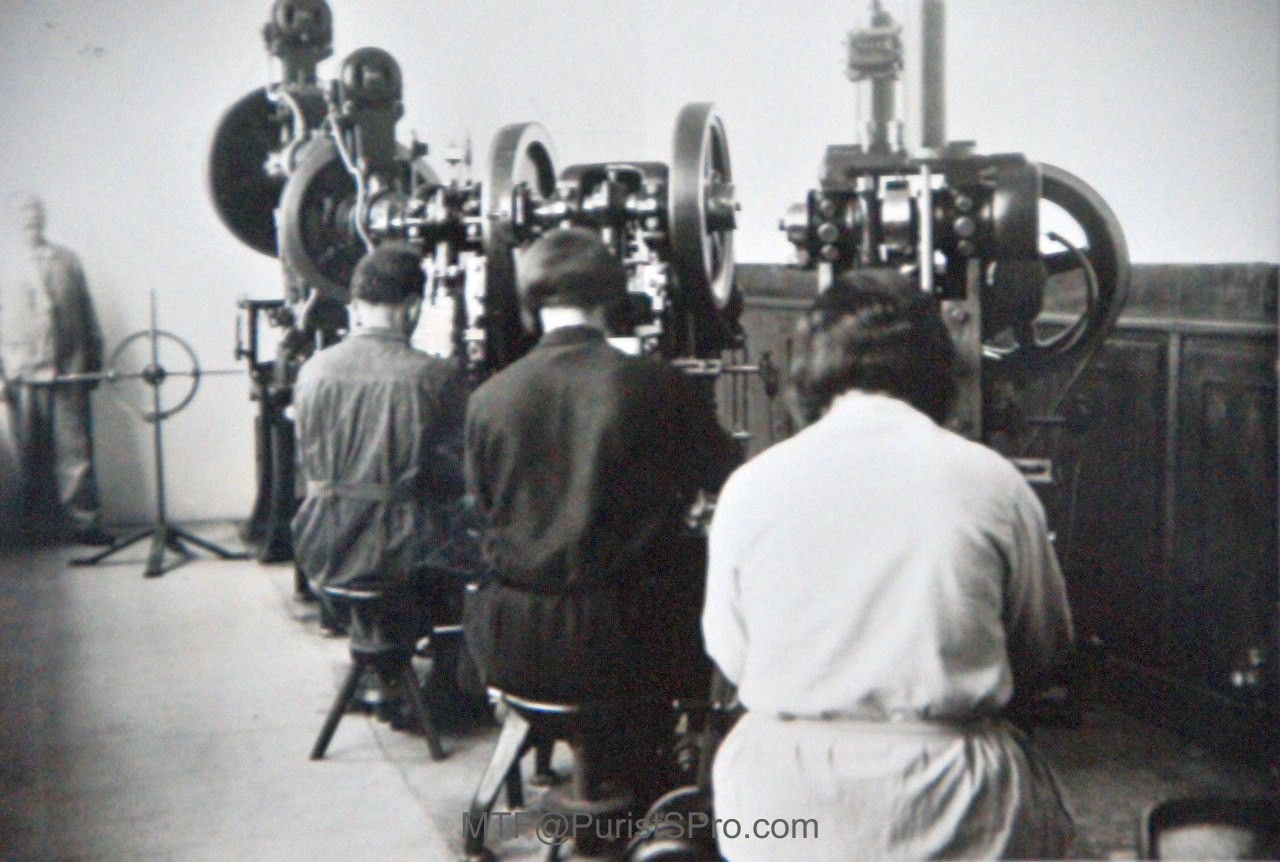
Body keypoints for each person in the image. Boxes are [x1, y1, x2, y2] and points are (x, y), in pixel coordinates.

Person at [702, 271, 1075, 860]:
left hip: (783, 803)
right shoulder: (994, 482)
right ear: (940, 369)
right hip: (954, 797)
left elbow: (731, 655)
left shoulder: (750, 486)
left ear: (812, 367)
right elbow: (1044, 648)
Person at [464, 227, 740, 807]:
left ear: (531, 301)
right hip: (628, 642)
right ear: (611, 300)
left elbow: (484, 511)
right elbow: (725, 480)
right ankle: (659, 789)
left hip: (514, 643)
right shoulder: (659, 386)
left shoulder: (489, 398)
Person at [291, 243, 480, 725]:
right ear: (414, 307)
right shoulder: (434, 376)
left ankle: (384, 669)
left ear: (356, 304)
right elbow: (459, 476)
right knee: (487, 553)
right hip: (398, 559)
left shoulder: (313, 370)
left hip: (320, 551)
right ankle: (449, 688)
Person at [0, 195, 111, 546]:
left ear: (44, 217)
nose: (30, 218)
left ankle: (84, 523)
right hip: (21, 372)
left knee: (75, 453)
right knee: (28, 454)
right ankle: (36, 529)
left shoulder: (67, 261)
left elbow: (87, 311)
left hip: (68, 369)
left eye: (36, 212)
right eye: (23, 213)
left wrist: (93, 360)